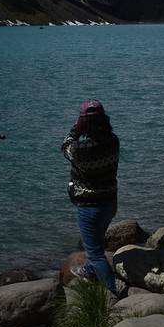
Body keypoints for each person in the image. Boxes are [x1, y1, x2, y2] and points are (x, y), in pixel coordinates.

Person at [61, 99, 119, 292]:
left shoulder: (79, 149)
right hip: (110, 202)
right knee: (97, 239)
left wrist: (76, 128)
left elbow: (65, 146)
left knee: (95, 254)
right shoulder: (113, 141)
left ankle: (111, 296)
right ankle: (90, 270)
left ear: (83, 122)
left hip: (90, 206)